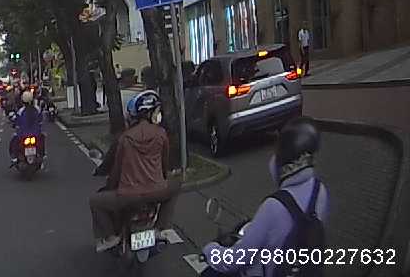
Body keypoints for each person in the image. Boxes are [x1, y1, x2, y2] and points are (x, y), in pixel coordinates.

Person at [199, 118, 329, 276]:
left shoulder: (273, 207)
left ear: (283, 161)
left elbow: (233, 261)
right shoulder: (319, 191)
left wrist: (210, 250)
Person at [88, 90, 181, 253]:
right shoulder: (161, 134)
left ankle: (110, 237)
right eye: (157, 112)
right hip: (157, 191)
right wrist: (163, 179)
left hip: (127, 195)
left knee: (95, 201)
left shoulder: (125, 138)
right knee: (176, 187)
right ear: (150, 114)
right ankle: (160, 228)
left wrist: (111, 186)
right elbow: (164, 163)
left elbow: (117, 170)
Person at [9, 89, 45, 163]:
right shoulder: (37, 109)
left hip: (23, 135)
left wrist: (14, 123)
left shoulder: (21, 111)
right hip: (35, 134)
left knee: (14, 141)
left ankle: (14, 157)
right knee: (42, 138)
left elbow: (16, 120)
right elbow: (41, 120)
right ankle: (42, 154)